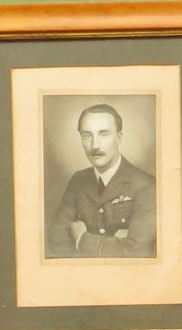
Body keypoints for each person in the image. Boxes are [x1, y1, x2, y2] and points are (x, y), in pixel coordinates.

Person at [46, 103, 156, 257]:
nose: (95, 145)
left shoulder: (147, 186)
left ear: (118, 138)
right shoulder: (78, 180)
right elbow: (56, 240)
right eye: (87, 135)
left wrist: (81, 239)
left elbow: (136, 251)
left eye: (103, 134)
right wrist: (115, 245)